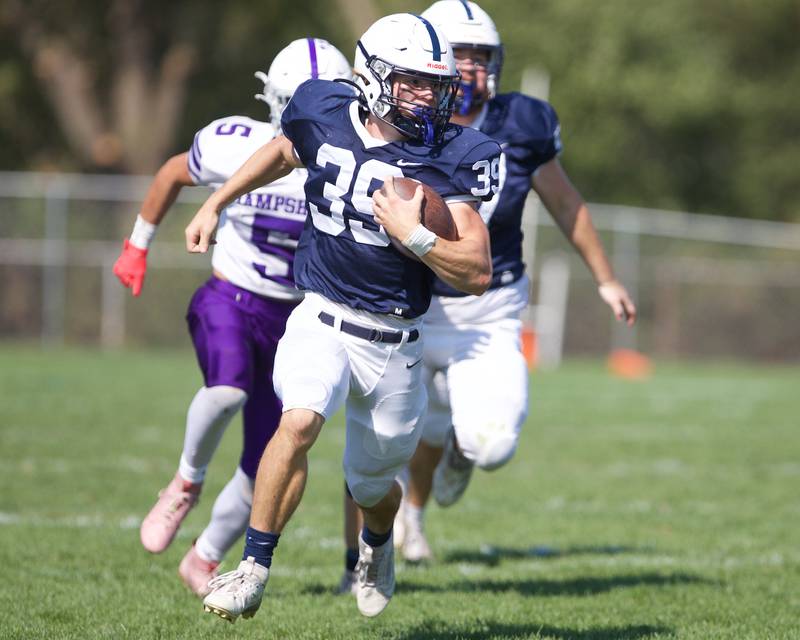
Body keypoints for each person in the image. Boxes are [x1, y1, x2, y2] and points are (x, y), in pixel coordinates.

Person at [192, 13, 501, 622]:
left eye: (435, 85)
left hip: (394, 341)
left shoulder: (455, 153)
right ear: (375, 78)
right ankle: (252, 570)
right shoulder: (322, 109)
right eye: (413, 82)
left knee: (370, 488)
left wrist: (415, 238)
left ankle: (377, 544)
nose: (429, 97)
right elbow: (284, 149)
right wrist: (217, 199)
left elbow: (476, 269)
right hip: (320, 314)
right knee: (299, 422)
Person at [339, 0, 638, 573]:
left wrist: (605, 278)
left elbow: (565, 202)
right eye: (461, 56)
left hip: (488, 310)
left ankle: (462, 450)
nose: (473, 69)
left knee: (492, 444)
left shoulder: (520, 123)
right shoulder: (394, 124)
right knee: (401, 436)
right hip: (412, 310)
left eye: (482, 57)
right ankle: (411, 522)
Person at [111, 38, 352, 596]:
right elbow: (173, 173)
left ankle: (204, 557)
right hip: (231, 299)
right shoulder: (236, 143)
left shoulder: (349, 161)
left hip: (296, 321)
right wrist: (138, 242)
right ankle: (185, 483)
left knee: (263, 463)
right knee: (226, 391)